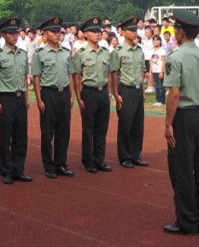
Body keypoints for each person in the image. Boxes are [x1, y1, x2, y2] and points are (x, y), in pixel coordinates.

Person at [162, 9, 199, 235]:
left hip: (184, 116)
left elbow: (174, 94)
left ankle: (185, 221)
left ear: (179, 31)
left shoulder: (176, 57)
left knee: (182, 170)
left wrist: (168, 124)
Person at [0, 18, 32, 185]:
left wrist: (27, 99)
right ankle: (6, 170)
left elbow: (24, 77)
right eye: (11, 33)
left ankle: (18, 169)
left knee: (21, 136)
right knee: (6, 137)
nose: (15, 36)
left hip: (20, 97)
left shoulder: (22, 55)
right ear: (4, 35)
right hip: (5, 98)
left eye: (16, 32)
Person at [32, 16, 76, 178]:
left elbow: (70, 74)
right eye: (54, 32)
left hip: (63, 93)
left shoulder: (65, 52)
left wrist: (71, 95)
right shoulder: (40, 53)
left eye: (59, 32)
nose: (57, 35)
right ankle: (48, 165)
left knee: (63, 131)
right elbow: (36, 77)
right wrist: (39, 99)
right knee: (48, 132)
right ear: (45, 34)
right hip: (48, 93)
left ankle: (61, 164)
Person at [73, 17, 113, 173]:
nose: (97, 34)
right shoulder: (81, 54)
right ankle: (88, 160)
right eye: (94, 31)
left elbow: (109, 74)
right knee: (88, 129)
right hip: (88, 92)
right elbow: (76, 76)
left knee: (102, 129)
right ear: (85, 34)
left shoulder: (105, 52)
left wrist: (109, 93)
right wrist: (79, 97)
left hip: (103, 92)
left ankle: (99, 160)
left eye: (99, 31)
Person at [110, 17, 149, 169]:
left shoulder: (139, 50)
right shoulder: (118, 52)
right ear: (123, 32)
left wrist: (143, 89)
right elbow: (114, 74)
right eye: (131, 31)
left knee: (138, 125)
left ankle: (135, 154)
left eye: (135, 30)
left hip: (138, 89)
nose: (134, 33)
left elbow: (141, 70)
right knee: (126, 124)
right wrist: (115, 93)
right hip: (125, 90)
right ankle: (125, 156)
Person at [150, 35, 166, 106]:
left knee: (161, 86)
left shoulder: (162, 50)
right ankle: (157, 100)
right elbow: (151, 61)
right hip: (154, 70)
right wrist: (150, 71)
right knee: (156, 86)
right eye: (154, 40)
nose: (156, 41)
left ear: (160, 41)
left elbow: (163, 61)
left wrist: (161, 71)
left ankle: (162, 101)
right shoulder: (152, 50)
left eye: (157, 40)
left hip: (160, 70)